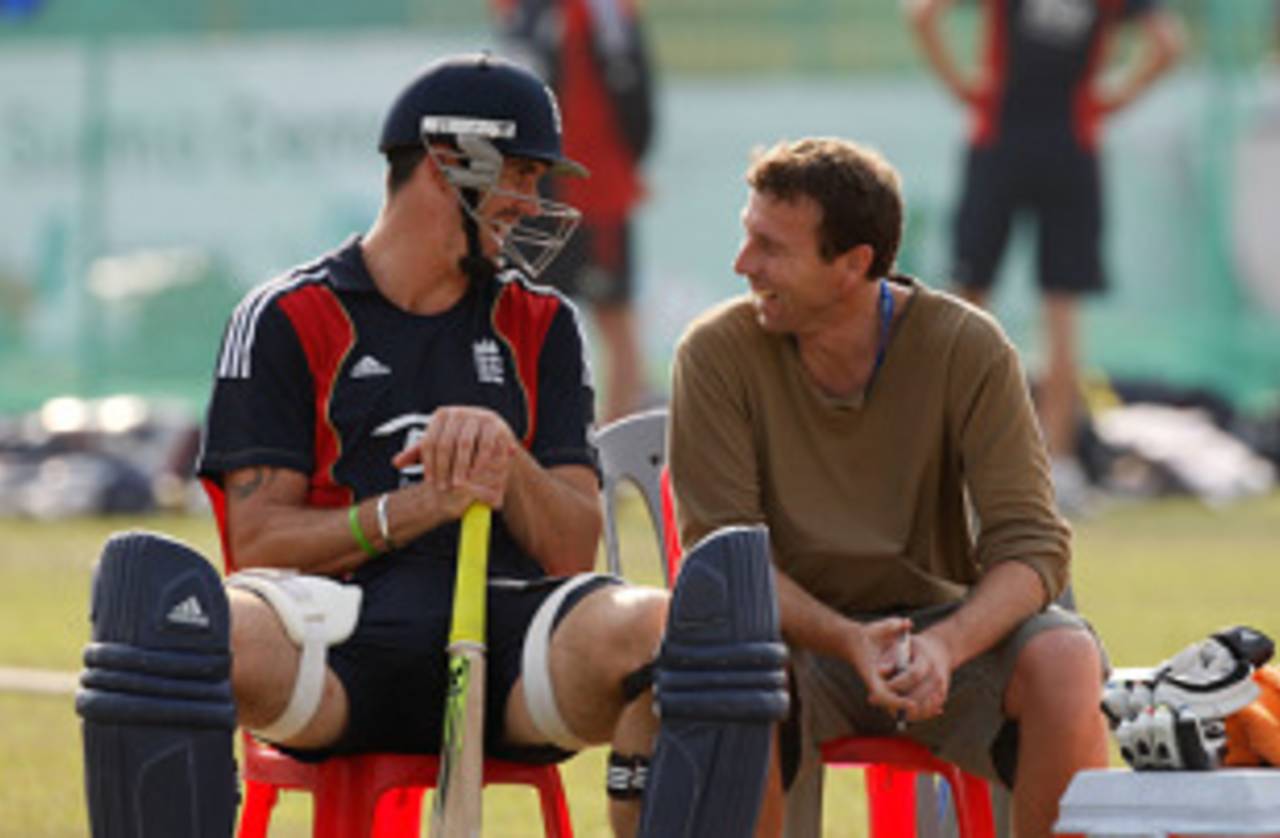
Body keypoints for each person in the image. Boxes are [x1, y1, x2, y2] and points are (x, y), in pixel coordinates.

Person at [196, 53, 670, 835]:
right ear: (450, 165)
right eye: (519, 174)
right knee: (177, 618)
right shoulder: (285, 314)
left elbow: (571, 548)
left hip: (515, 643)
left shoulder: (544, 323)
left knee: (677, 637)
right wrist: (414, 509)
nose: (530, 203)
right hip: (335, 637)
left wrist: (503, 459)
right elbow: (257, 542)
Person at [667, 137, 1110, 838]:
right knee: (737, 662)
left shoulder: (969, 346)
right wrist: (849, 640)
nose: (741, 265)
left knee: (1065, 657)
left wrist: (946, 647)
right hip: (795, 645)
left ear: (853, 266)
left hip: (945, 639)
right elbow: (725, 561)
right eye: (747, 236)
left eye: (769, 247)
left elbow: (1033, 546)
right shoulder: (715, 352)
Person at [906, 0, 1185, 512]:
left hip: (1000, 140)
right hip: (1070, 146)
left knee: (968, 305)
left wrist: (962, 87)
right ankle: (1061, 467)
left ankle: (954, 456)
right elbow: (1169, 44)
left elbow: (921, 15)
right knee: (1062, 311)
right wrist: (1117, 97)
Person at [491, 0, 657, 421]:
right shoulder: (524, 11)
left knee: (613, 317)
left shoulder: (603, 11)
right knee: (522, 316)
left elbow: (633, 91)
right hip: (538, 191)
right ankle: (533, 442)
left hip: (595, 191)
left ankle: (612, 452)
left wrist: (622, 164)